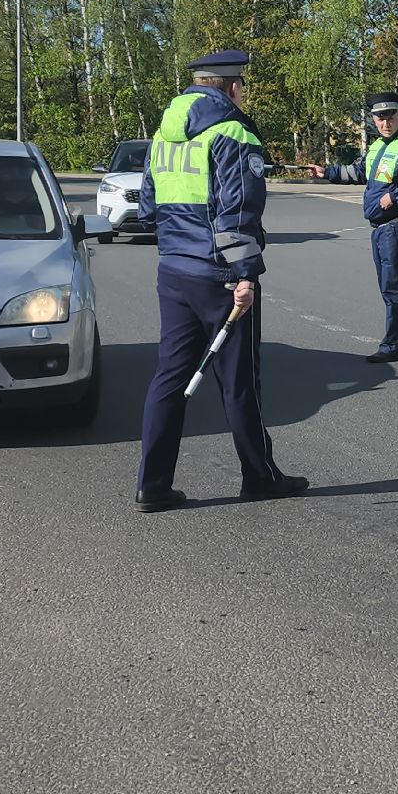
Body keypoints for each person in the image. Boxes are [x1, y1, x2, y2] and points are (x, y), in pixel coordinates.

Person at [134, 49, 308, 512]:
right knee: (239, 381)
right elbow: (239, 210)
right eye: (242, 86)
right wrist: (245, 274)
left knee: (169, 377)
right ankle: (259, 477)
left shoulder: (162, 135)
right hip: (219, 275)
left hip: (173, 269)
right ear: (233, 87)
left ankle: (152, 485)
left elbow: (147, 209)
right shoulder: (233, 132)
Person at [307, 92, 398, 362]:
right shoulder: (378, 146)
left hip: (397, 226)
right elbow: (359, 172)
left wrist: (395, 197)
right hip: (381, 227)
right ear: (374, 119)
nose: (385, 123)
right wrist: (327, 172)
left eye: (390, 117)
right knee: (391, 286)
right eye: (380, 118)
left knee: (393, 288)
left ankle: (392, 345)